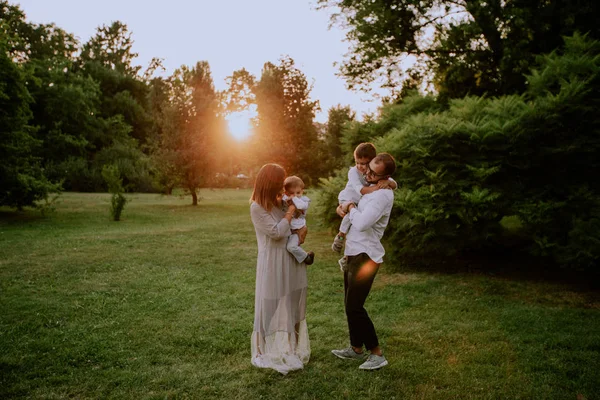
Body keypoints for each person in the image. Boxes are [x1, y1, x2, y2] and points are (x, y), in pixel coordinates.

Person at [331, 153, 397, 370]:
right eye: (367, 168)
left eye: (372, 172)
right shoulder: (370, 185)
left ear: (384, 177)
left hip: (366, 256)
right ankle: (356, 348)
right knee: (349, 305)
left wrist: (350, 208)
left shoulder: (382, 195)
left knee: (355, 306)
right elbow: (348, 195)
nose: (366, 173)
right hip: (353, 252)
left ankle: (377, 354)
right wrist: (344, 205)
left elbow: (361, 223)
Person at [249, 164, 310, 375]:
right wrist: (291, 212)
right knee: (269, 306)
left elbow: (297, 225)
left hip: (291, 260)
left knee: (294, 305)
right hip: (272, 263)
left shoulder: (282, 202)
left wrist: (301, 226)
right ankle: (259, 351)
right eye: (280, 182)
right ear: (270, 183)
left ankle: (292, 348)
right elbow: (277, 232)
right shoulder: (257, 207)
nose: (284, 187)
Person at [332, 143, 396, 263]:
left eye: (363, 163)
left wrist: (388, 183)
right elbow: (360, 190)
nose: (360, 166)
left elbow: (393, 183)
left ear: (372, 161)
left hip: (358, 201)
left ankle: (346, 256)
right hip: (350, 197)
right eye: (357, 162)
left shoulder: (375, 172)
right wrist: (377, 187)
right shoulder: (353, 172)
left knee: (354, 218)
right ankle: (340, 236)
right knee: (349, 217)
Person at [282, 176, 315, 265]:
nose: (295, 195)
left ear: (302, 191)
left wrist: (293, 197)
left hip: (297, 230)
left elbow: (300, 206)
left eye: (298, 192)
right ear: (286, 192)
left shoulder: (303, 200)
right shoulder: (285, 198)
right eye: (291, 193)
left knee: (291, 247)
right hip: (286, 230)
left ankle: (307, 257)